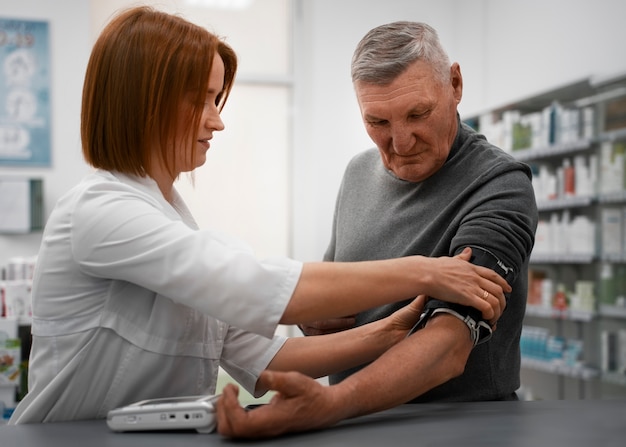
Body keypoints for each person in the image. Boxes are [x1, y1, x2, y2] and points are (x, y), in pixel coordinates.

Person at [8, 9, 509, 425]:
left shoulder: (171, 221)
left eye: (216, 99)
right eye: (200, 100)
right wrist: (428, 270)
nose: (217, 120)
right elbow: (252, 287)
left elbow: (258, 354)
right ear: (146, 103)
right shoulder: (97, 213)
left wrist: (385, 332)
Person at [215, 21, 537, 438]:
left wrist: (332, 404)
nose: (400, 142)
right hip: (353, 426)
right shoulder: (358, 173)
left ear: (455, 84)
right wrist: (315, 321)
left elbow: (450, 344)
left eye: (418, 114)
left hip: (459, 428)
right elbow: (333, 291)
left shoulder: (499, 184)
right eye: (378, 122)